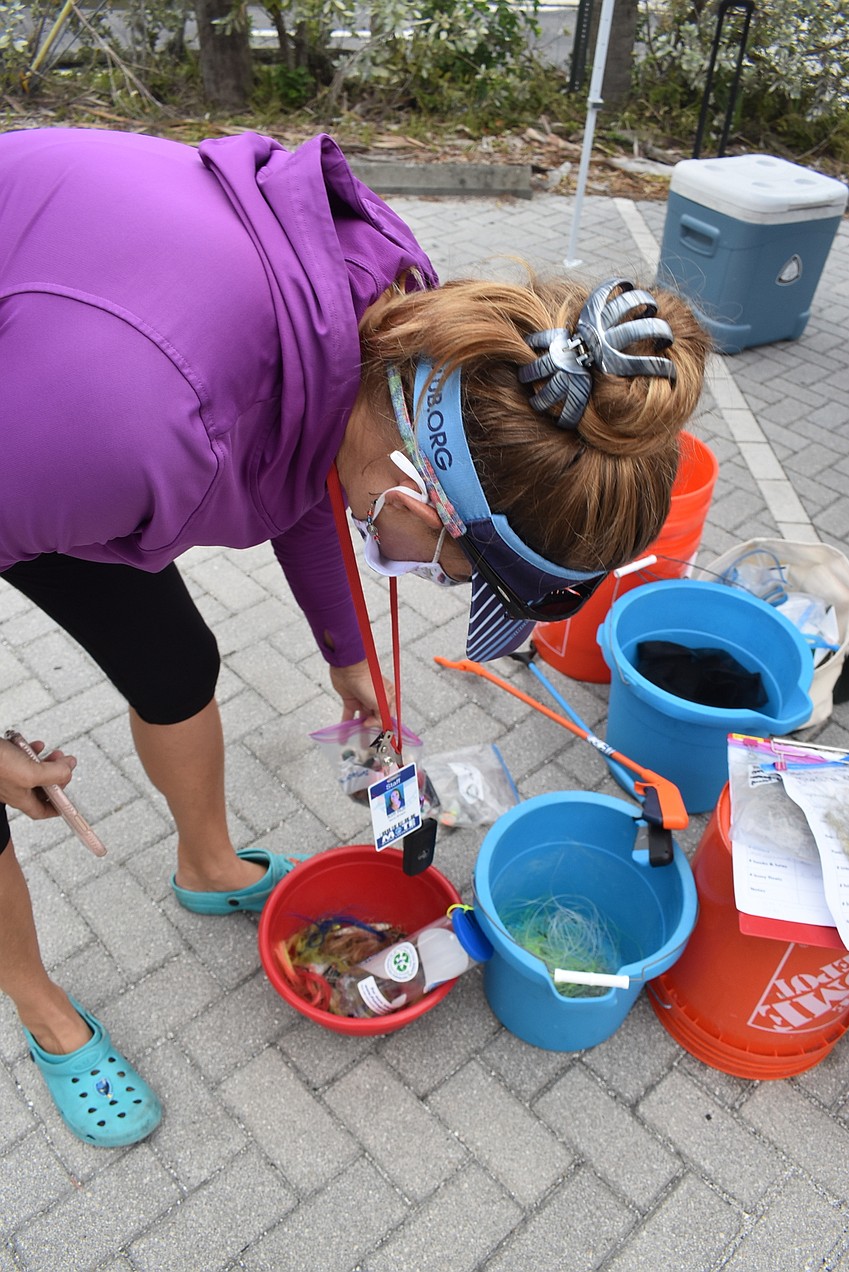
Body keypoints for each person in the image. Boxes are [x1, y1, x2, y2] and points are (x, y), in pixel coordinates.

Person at [0, 126, 710, 1147]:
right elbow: (225, 426)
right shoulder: (134, 430)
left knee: (175, 663)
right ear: (425, 494)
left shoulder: (400, 342)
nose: (428, 583)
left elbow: (306, 446)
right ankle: (36, 1003)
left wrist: (346, 656)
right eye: (450, 571)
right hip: (62, 399)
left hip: (62, 386)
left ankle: (206, 868)